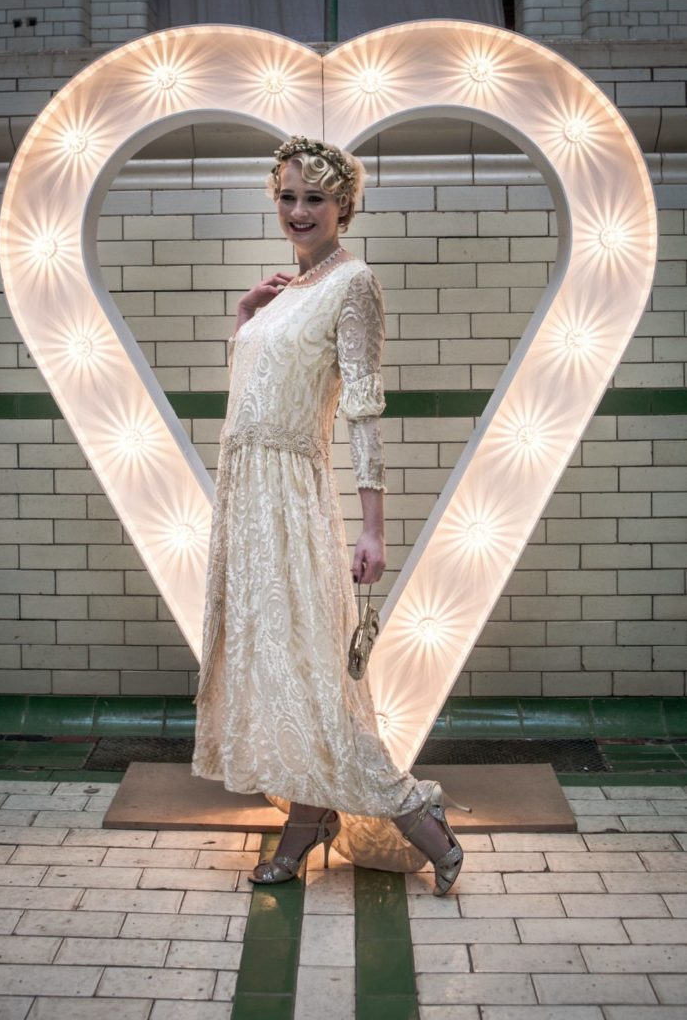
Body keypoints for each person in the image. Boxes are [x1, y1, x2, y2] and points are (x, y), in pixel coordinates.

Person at [191, 135, 464, 896]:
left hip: (292, 502)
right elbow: (258, 394)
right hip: (246, 503)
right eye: (287, 196)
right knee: (274, 669)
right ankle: (309, 819)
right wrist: (245, 316)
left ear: (345, 204)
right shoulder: (286, 291)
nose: (299, 210)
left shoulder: (354, 283)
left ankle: (417, 819)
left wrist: (373, 526)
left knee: (313, 674)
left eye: (315, 197)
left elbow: (363, 409)